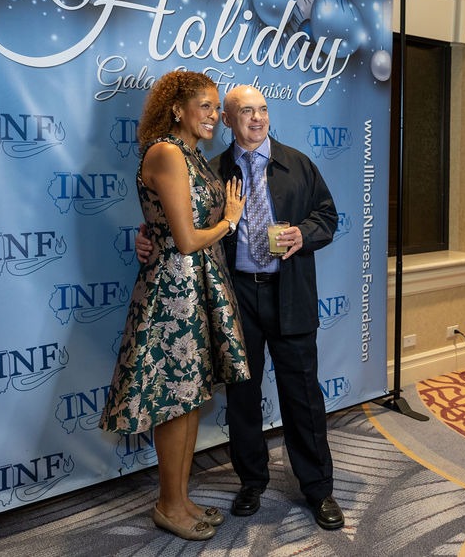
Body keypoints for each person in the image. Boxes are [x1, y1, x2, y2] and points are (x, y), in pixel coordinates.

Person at [136, 84, 343, 530]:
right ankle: (252, 481)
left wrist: (304, 233)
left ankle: (318, 489)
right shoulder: (210, 170)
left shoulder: (298, 164)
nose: (257, 118)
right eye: (245, 111)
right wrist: (147, 236)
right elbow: (176, 217)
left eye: (262, 109)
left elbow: (328, 215)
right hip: (235, 296)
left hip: (289, 292)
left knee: (303, 395)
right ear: (228, 121)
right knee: (243, 397)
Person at [101, 70, 250, 541]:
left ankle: (179, 500)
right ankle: (168, 505)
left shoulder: (192, 154)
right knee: (173, 402)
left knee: (189, 400)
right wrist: (229, 221)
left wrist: (152, 232)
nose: (214, 116)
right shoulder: (166, 152)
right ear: (177, 109)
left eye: (216, 107)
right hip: (173, 295)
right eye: (205, 106)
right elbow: (185, 240)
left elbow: (167, 222)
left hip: (195, 287)